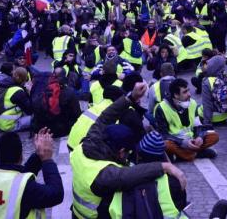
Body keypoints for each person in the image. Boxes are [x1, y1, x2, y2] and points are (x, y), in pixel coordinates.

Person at [70, 82, 187, 219]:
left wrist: (130, 97)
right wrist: (164, 166)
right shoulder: (103, 174)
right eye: (127, 153)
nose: (127, 157)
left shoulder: (89, 142)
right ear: (121, 151)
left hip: (76, 212)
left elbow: (105, 117)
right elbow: (126, 176)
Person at [0, 129, 64, 218]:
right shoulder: (26, 188)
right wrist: (47, 159)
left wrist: (38, 155)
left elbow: (16, 180)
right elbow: (56, 194)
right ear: (21, 157)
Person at [108, 131, 188, 218]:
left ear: (138, 155)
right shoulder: (174, 181)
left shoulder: (124, 180)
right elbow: (181, 205)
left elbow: (114, 212)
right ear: (162, 156)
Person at [154, 78, 219, 161]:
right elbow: (163, 135)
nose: (189, 94)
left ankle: (183, 155)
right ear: (176, 95)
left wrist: (200, 137)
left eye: (188, 90)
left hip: (192, 140)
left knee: (214, 136)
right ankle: (195, 153)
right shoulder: (161, 108)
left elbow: (197, 125)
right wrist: (182, 142)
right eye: (185, 92)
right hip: (176, 142)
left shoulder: (192, 103)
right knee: (166, 144)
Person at [31, 67, 82, 138]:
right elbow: (77, 114)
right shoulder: (69, 92)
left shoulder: (41, 88)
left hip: (41, 129)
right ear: (64, 78)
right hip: (59, 131)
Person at [200, 54, 227, 125]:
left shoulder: (207, 82)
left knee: (198, 108)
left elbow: (207, 105)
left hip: (214, 118)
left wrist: (207, 124)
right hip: (226, 116)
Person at [0, 67, 33, 132]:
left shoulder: (3, 83)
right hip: (9, 124)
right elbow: (30, 110)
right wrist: (30, 92)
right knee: (38, 117)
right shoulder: (17, 91)